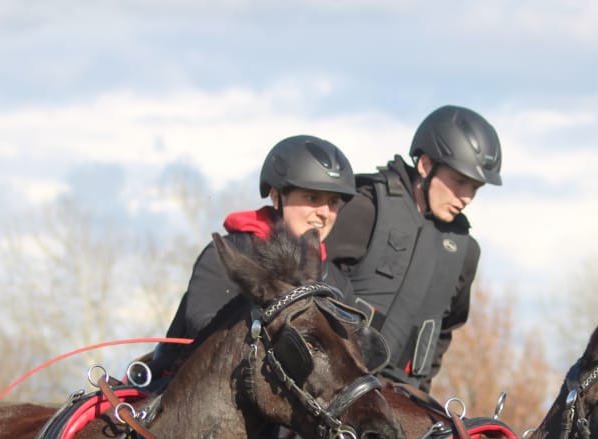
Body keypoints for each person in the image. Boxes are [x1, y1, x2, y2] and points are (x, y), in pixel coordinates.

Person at [146, 134, 357, 378]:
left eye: (332, 202)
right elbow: (204, 326)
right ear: (277, 197)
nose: (324, 213)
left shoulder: (337, 282)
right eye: (312, 198)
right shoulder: (228, 253)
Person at [324, 105, 502, 391]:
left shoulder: (465, 252)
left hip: (405, 399)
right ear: (426, 165)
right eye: (459, 181)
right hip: (333, 384)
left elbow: (444, 332)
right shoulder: (365, 208)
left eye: (475, 187)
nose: (466, 197)